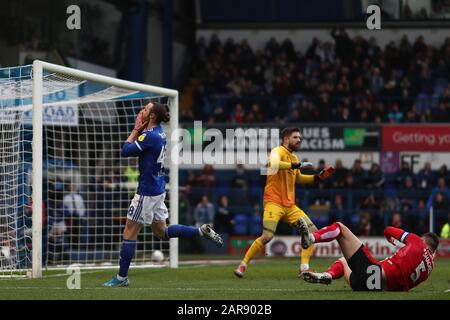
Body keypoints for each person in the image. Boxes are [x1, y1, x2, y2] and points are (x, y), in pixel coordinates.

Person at [103, 102, 223, 287]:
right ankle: (200, 231)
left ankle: (121, 278)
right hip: (158, 189)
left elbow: (125, 150)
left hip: (147, 192)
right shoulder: (159, 133)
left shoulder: (149, 136)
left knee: (129, 231)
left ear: (151, 116)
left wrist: (135, 129)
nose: (141, 111)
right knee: (161, 232)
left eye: (145, 109)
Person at [233, 127, 335, 278]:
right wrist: (296, 166)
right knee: (267, 236)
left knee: (313, 233)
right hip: (273, 202)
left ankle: (304, 267)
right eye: (295, 137)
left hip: (290, 205)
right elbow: (274, 164)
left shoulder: (294, 158)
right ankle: (243, 265)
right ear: (286, 139)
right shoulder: (277, 151)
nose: (299, 140)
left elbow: (299, 178)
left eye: (300, 138)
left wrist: (317, 178)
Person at [296, 218, 439, 291]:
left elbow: (388, 230)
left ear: (423, 240)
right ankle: (327, 276)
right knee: (343, 261)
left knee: (340, 228)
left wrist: (393, 242)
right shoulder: (428, 270)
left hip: (374, 274)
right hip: (372, 287)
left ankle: (311, 238)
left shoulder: (417, 241)